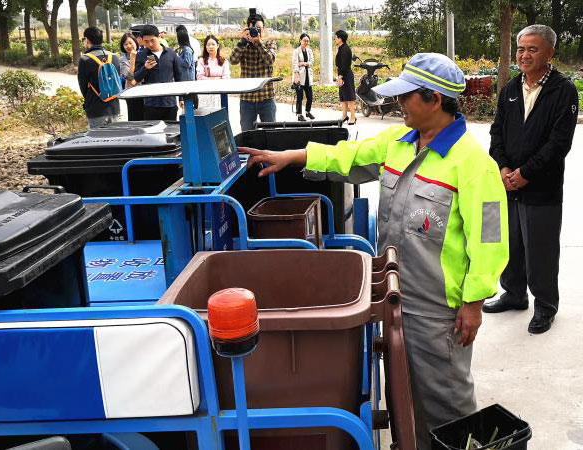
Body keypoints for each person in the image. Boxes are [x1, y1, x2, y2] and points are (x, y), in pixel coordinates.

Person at [240, 53, 509, 450]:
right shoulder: (396, 144)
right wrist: (290, 157)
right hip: (395, 294)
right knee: (406, 392)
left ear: (434, 100)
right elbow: (345, 158)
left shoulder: (473, 165)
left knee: (446, 400)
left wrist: (473, 302)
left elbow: (489, 241)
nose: (398, 105)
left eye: (406, 98)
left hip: (439, 310)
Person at [485, 24, 578, 334]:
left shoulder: (562, 91)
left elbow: (558, 144)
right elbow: (496, 132)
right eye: (521, 49)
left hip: (542, 188)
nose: (524, 55)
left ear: (549, 53)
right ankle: (513, 294)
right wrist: (503, 168)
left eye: (532, 49)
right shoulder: (511, 88)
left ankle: (545, 306)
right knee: (511, 244)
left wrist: (526, 174)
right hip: (508, 183)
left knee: (541, 249)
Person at [229, 10, 277, 131]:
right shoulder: (243, 45)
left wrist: (259, 43)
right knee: (247, 135)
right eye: (253, 29)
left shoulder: (269, 43)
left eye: (259, 28)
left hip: (266, 97)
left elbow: (270, 60)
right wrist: (243, 41)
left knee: (270, 134)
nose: (256, 31)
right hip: (247, 99)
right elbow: (233, 60)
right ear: (247, 29)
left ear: (264, 29)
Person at [134, 25, 185, 121]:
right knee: (152, 134)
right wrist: (145, 68)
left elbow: (178, 76)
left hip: (170, 102)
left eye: (152, 40)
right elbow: (136, 78)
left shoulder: (171, 53)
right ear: (142, 40)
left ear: (158, 37)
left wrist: (181, 98)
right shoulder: (141, 55)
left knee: (170, 132)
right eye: (146, 41)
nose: (150, 44)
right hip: (151, 103)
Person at [77, 26, 121, 128]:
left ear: (87, 40)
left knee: (98, 140)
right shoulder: (114, 57)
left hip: (95, 108)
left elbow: (83, 87)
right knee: (115, 139)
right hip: (114, 107)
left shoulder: (85, 59)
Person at [196, 34, 230, 109]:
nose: (211, 46)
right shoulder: (201, 61)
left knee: (220, 117)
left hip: (220, 94)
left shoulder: (224, 61)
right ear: (205, 47)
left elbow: (226, 78)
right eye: (208, 44)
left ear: (217, 46)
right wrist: (217, 79)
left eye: (213, 44)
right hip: (205, 94)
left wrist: (209, 79)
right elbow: (200, 77)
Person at [119, 32, 144, 121]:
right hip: (132, 93)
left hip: (146, 92)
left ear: (135, 42)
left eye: (130, 43)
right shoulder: (123, 60)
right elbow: (129, 78)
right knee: (135, 119)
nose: (129, 46)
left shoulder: (143, 54)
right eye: (126, 44)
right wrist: (132, 59)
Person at [334, 29, 356, 125]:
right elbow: (338, 64)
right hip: (341, 75)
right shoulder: (340, 48)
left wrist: (341, 76)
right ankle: (344, 116)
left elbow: (345, 64)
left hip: (345, 75)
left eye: (336, 37)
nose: (335, 39)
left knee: (349, 97)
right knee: (343, 97)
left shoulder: (346, 49)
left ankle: (353, 117)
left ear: (340, 38)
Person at [292, 33, 315, 121]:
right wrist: (296, 76)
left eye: (307, 41)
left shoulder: (309, 51)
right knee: (300, 97)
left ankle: (308, 112)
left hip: (308, 76)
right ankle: (299, 114)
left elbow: (312, 62)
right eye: (304, 40)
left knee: (310, 96)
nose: (306, 42)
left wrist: (303, 63)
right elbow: (295, 64)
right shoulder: (296, 51)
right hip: (299, 76)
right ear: (300, 41)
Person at [176, 28, 198, 110]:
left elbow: (187, 63)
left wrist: (177, 57)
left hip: (188, 79)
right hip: (185, 78)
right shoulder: (183, 49)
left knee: (188, 100)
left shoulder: (187, 50)